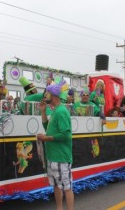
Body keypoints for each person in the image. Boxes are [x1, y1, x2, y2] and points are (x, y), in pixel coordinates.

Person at [37, 80, 74, 210]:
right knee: (56, 186)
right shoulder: (55, 111)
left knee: (67, 187)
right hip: (52, 157)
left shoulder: (61, 111)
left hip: (61, 157)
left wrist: (45, 138)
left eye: (47, 93)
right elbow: (48, 127)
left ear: (53, 95)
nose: (45, 95)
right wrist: (42, 111)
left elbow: (66, 135)